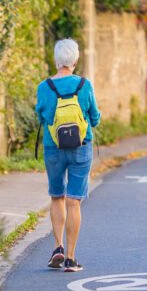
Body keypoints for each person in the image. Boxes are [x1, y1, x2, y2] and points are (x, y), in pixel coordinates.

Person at [35, 38, 100, 272]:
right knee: (74, 200)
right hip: (81, 147)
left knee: (57, 196)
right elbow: (94, 115)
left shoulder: (44, 87)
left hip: (53, 147)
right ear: (75, 60)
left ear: (56, 59)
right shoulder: (85, 85)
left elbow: (41, 115)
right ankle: (71, 259)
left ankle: (58, 246)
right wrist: (90, 123)